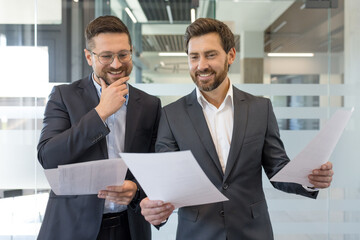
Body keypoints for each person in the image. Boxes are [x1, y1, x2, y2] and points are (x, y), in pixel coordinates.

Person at [139, 18, 334, 240]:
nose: (201, 65)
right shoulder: (171, 115)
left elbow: (277, 168)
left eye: (210, 55)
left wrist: (309, 180)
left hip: (253, 232)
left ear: (230, 55)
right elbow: (167, 182)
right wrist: (155, 209)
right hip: (197, 233)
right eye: (194, 57)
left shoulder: (260, 108)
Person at [37, 15, 161, 240]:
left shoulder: (150, 105)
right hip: (72, 227)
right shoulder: (63, 96)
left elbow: (155, 166)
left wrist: (135, 189)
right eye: (106, 56)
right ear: (89, 57)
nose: (117, 64)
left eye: (123, 54)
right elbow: (48, 156)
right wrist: (101, 112)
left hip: (129, 228)